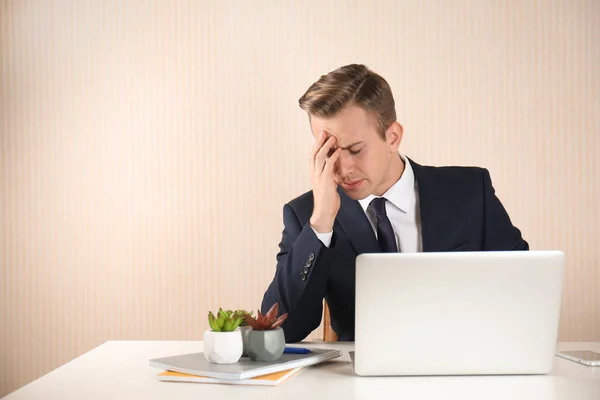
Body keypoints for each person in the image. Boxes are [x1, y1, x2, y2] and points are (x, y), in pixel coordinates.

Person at [261, 64, 528, 343]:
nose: (344, 168)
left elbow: (524, 289)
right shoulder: (306, 215)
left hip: (465, 370)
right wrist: (321, 223)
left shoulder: (470, 192)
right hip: (361, 381)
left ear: (393, 137)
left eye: (355, 150)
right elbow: (279, 332)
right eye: (329, 152)